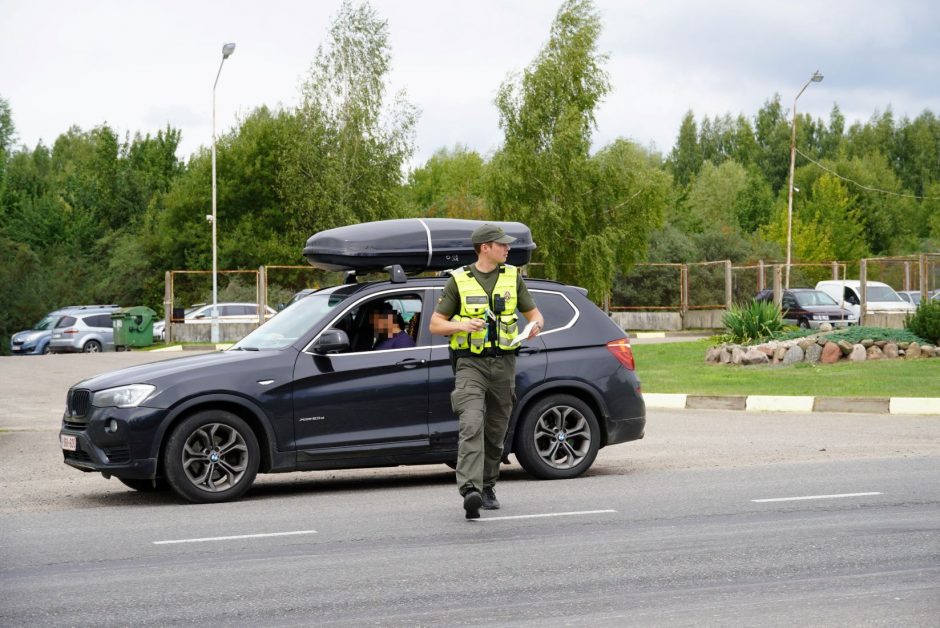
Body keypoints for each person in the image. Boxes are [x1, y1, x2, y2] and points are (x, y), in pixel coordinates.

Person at [429, 224, 544, 519]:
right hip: (470, 365)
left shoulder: (512, 277)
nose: (507, 249)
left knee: (495, 432)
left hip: (504, 365)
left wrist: (535, 327)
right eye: (502, 245)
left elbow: (534, 315)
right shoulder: (458, 281)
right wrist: (462, 325)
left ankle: (488, 483)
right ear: (485, 248)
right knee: (471, 425)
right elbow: (435, 324)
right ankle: (471, 490)